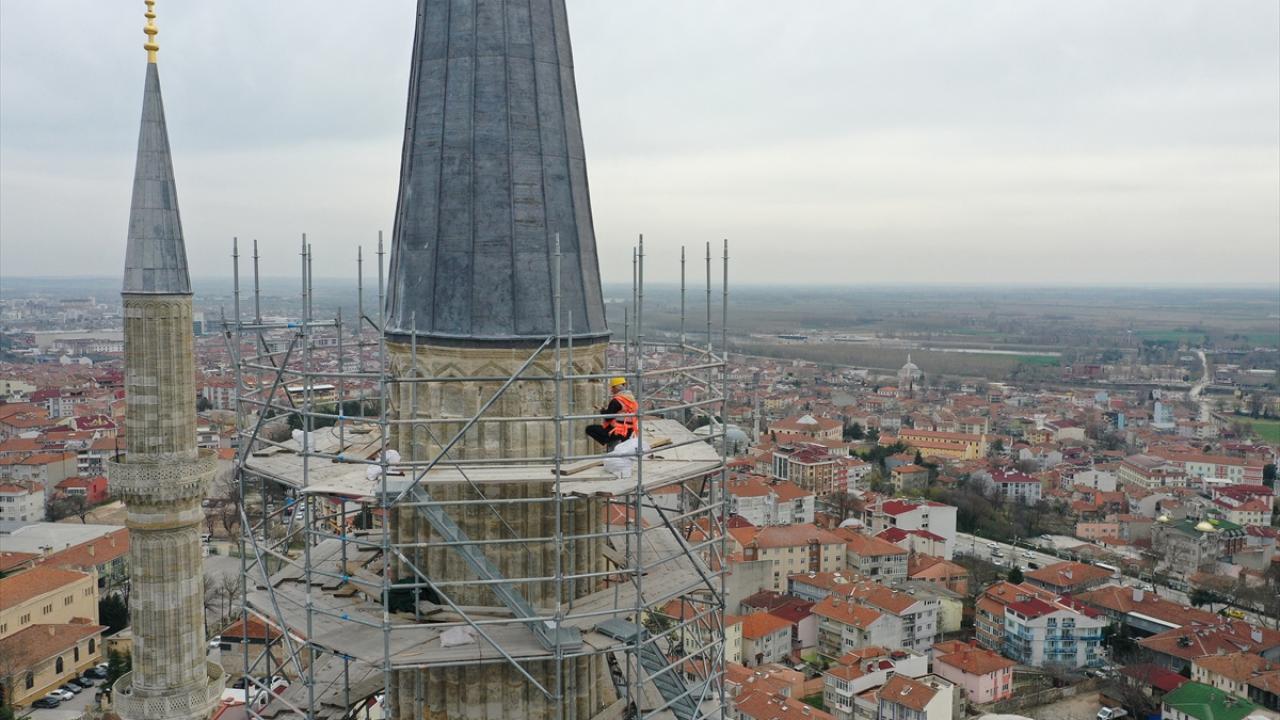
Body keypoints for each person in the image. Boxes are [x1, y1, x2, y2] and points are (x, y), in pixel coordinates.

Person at [585, 377, 637, 450]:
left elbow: (608, 417)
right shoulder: (631, 399)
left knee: (589, 429)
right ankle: (611, 442)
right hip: (628, 431)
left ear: (617, 387)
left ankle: (608, 440)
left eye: (612, 387)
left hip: (616, 432)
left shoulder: (616, 400)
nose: (611, 390)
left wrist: (601, 410)